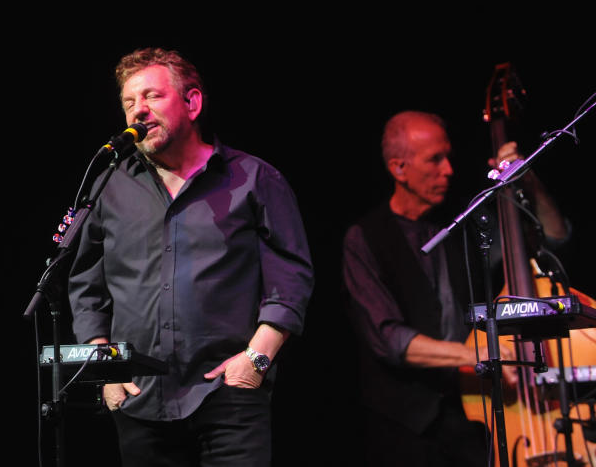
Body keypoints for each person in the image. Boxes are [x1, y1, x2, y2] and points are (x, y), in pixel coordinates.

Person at [67, 48, 315, 466]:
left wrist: (256, 360)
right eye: (129, 102)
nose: (138, 112)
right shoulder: (110, 186)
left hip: (228, 394)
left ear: (192, 102)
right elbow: (85, 285)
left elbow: (290, 275)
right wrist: (105, 369)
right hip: (140, 399)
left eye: (152, 97)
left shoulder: (252, 179)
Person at [342, 110, 569, 467]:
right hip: (404, 425)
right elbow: (389, 339)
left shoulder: (468, 219)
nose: (448, 169)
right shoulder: (365, 238)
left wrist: (527, 179)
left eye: (448, 157)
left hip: (475, 414)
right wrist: (480, 355)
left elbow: (554, 237)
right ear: (398, 168)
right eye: (435, 160)